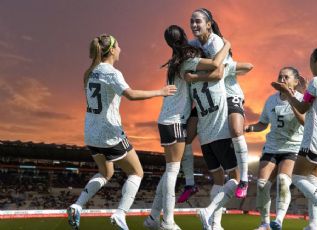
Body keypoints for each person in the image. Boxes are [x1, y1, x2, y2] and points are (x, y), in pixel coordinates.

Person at [67, 34, 176, 230]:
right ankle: (120, 213)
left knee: (105, 172)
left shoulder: (89, 72)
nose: (121, 49)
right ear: (112, 50)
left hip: (90, 132)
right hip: (110, 133)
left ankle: (77, 205)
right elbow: (131, 95)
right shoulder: (112, 73)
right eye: (119, 45)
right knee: (137, 172)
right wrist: (160, 92)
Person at [143, 25, 231, 230]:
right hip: (174, 121)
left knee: (169, 172)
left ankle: (153, 218)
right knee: (172, 172)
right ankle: (168, 221)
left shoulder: (174, 63)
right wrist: (226, 43)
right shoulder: (186, 62)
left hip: (168, 120)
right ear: (184, 37)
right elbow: (216, 63)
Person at [177, 7, 253, 204]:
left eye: (198, 21)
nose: (194, 25)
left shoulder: (216, 41)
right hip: (207, 96)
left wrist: (194, 76)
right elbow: (183, 52)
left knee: (236, 130)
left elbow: (219, 74)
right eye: (191, 21)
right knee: (186, 137)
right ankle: (190, 183)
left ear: (209, 24)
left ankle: (243, 179)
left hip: (228, 94)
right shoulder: (194, 43)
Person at [272, 46, 317, 230]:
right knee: (313, 180)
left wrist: (288, 93)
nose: (310, 65)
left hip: (315, 138)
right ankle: (313, 225)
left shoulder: (316, 81)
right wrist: (304, 90)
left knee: (296, 177)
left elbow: (303, 108)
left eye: (311, 61)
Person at [246, 67, 305, 230]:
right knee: (261, 183)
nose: (282, 79)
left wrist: (291, 98)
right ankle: (265, 223)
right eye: (280, 76)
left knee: (283, 181)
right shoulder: (270, 100)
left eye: (286, 77)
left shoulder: (302, 98)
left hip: (292, 147)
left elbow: (304, 121)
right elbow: (263, 123)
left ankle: (278, 220)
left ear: (295, 81)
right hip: (272, 146)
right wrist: (250, 128)